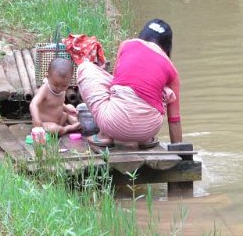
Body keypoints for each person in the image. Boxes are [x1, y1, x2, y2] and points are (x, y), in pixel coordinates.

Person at [76, 19, 183, 148]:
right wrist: (180, 153)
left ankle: (105, 135)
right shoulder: (171, 69)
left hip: (114, 125)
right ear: (167, 47)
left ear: (142, 36)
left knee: (84, 68)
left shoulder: (127, 45)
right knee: (165, 91)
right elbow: (174, 120)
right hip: (149, 130)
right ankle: (145, 140)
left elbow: (114, 85)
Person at [30, 57, 81, 136]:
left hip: (60, 119)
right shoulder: (45, 89)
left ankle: (75, 124)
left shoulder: (62, 90)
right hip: (45, 123)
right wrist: (37, 121)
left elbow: (58, 103)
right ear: (47, 77)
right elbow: (33, 104)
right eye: (55, 85)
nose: (59, 88)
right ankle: (68, 128)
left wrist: (67, 109)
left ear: (69, 81)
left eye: (64, 85)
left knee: (71, 107)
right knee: (54, 129)